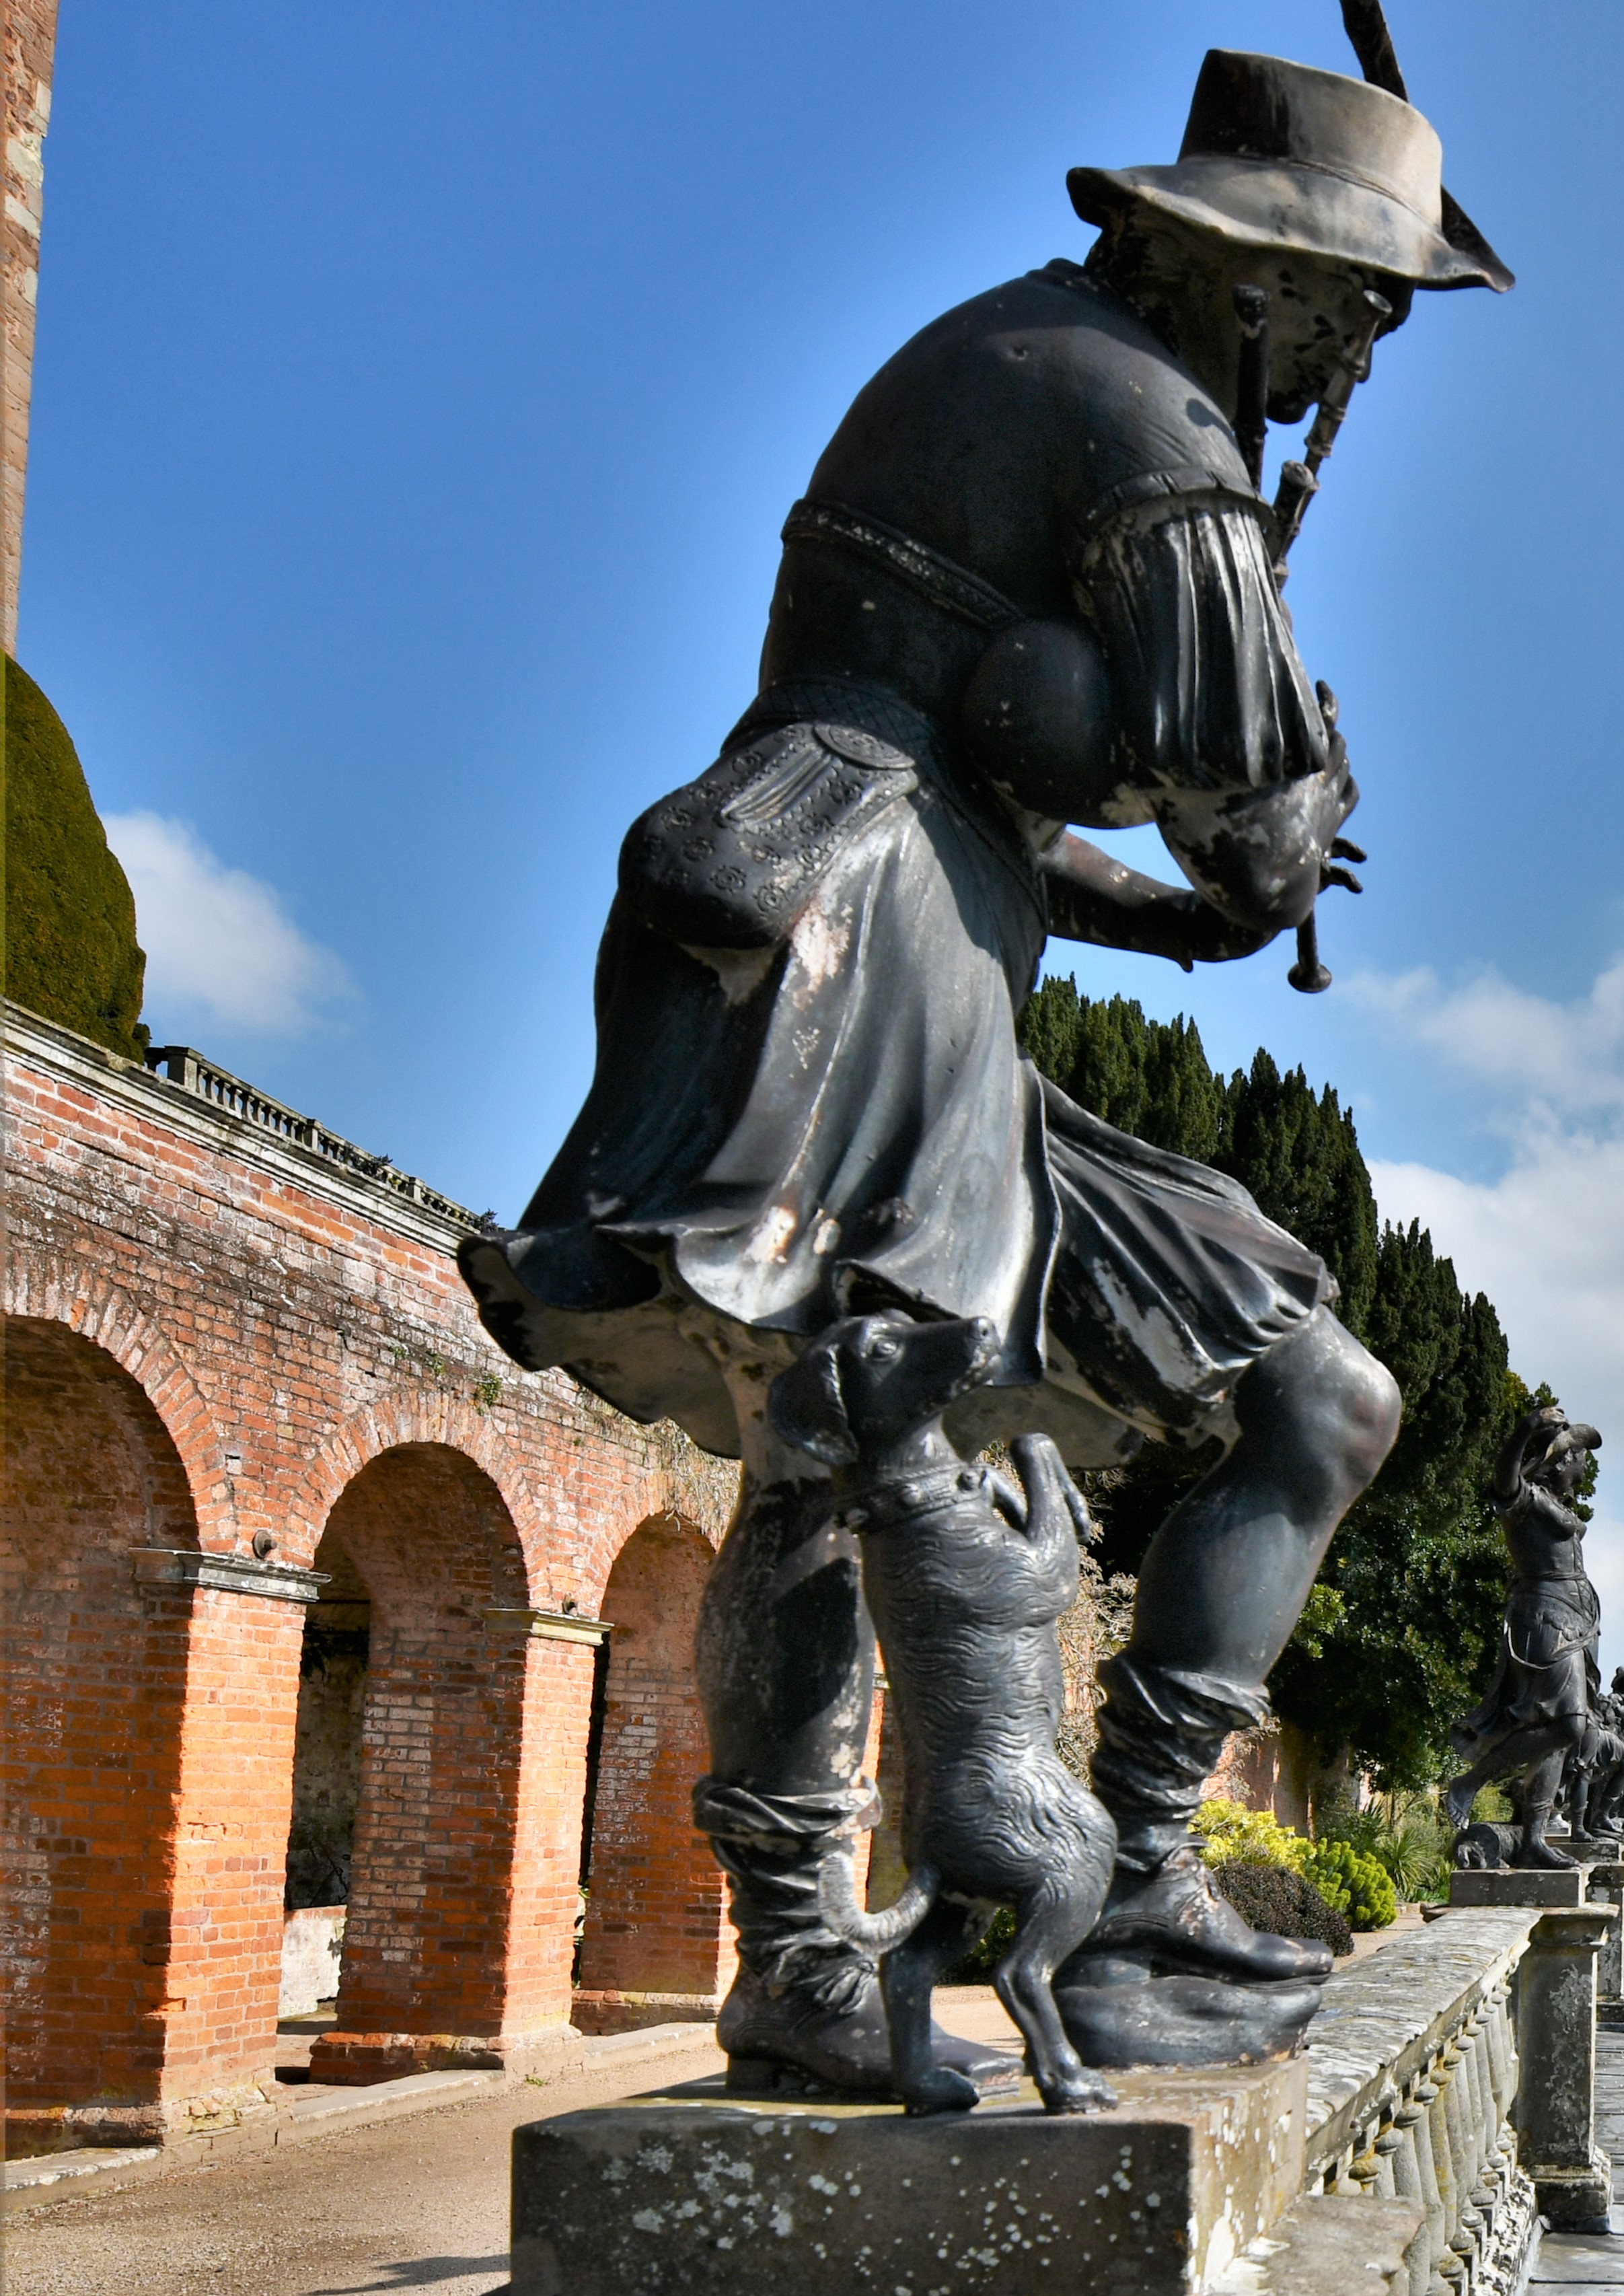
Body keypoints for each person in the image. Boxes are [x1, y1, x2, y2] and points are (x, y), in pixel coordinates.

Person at [465, 52, 1508, 2087]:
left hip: (937, 922)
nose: (1342, 363)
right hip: (846, 929)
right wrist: (1287, 816)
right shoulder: (1128, 399)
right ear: (1255, 270)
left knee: (1320, 1394)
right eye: (1350, 314)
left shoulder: (1065, 366)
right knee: (832, 1435)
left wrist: (1191, 909)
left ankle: (1118, 1877)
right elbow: (1230, 775)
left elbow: (1020, 791)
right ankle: (787, 1952)